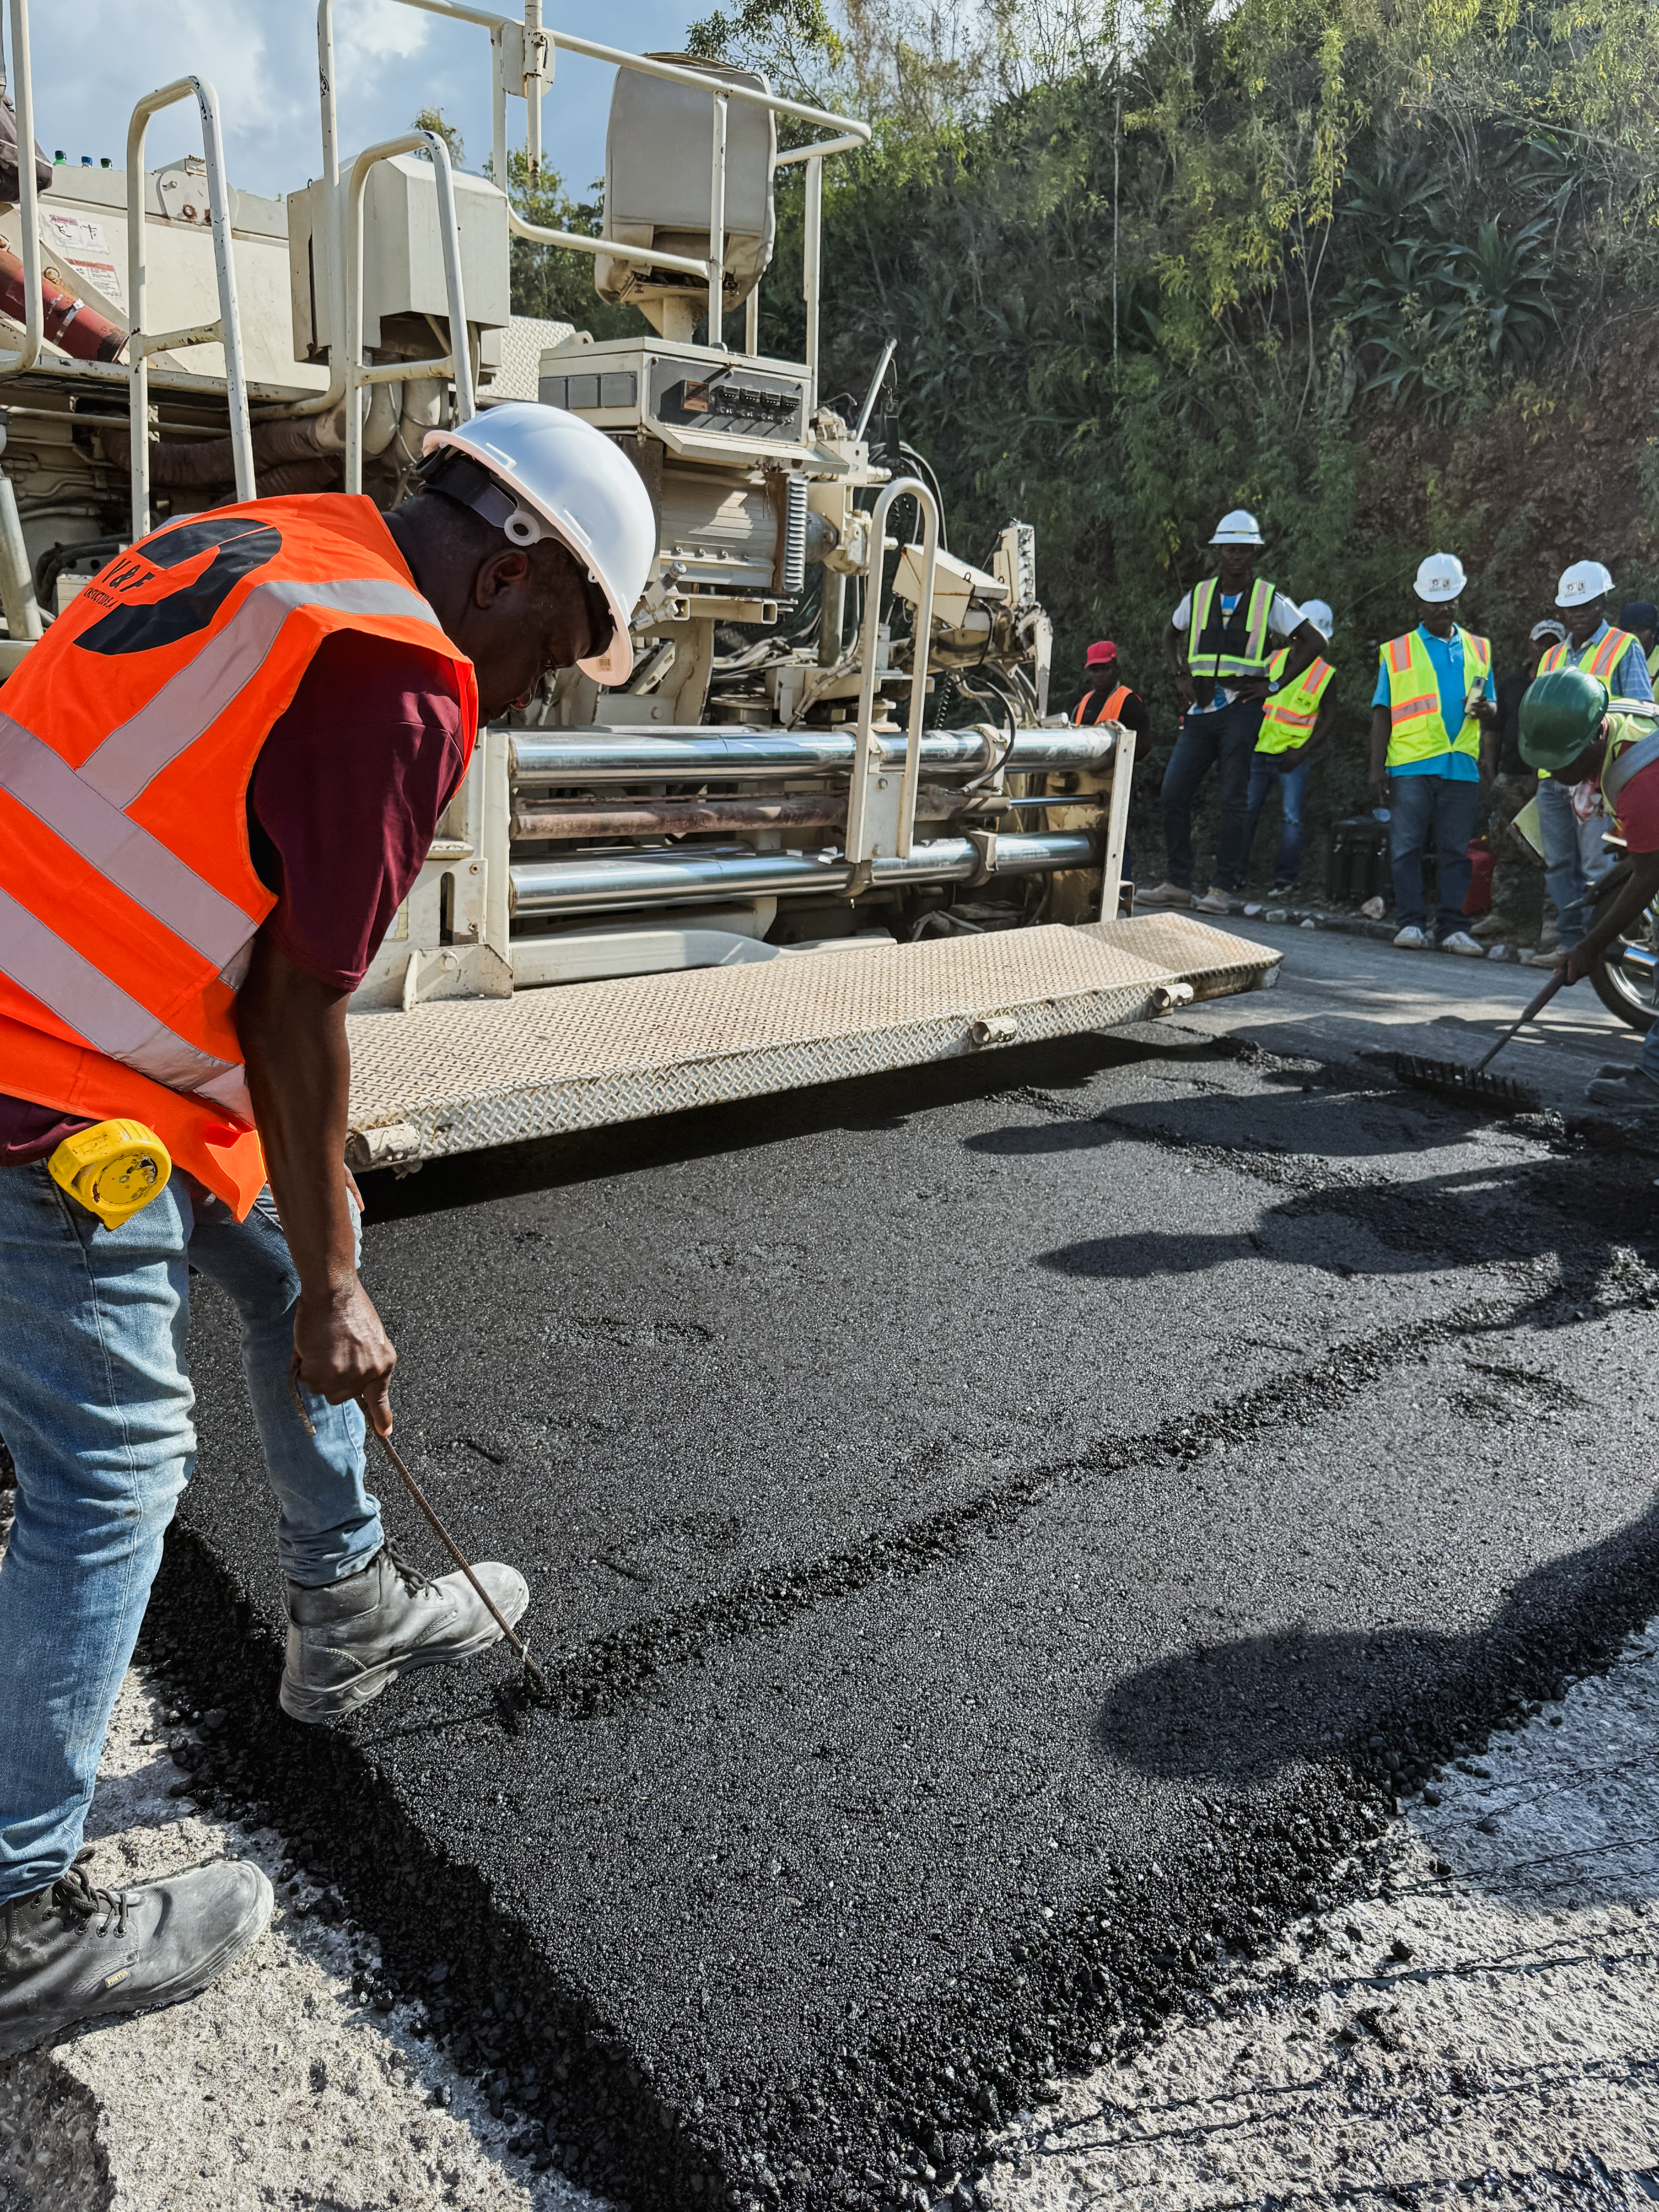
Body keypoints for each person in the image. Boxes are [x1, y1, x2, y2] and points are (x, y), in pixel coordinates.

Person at [0, 402, 658, 2055]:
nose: (527, 698)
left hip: (94, 1012)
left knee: (295, 1235)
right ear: (509, 573)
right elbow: (297, 1008)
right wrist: (347, 1294)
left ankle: (349, 1606)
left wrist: (324, 1252)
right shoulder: (397, 676)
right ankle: (13, 1914)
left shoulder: (279, 546)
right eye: (551, 657)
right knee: (114, 1473)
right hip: (42, 1068)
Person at [1141, 509, 1324, 913]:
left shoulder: (1268, 598)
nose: (1236, 556)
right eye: (1230, 549)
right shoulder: (1199, 595)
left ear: (1253, 554)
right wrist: (1178, 675)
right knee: (1173, 792)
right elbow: (1170, 634)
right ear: (1219, 552)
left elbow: (1314, 641)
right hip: (1201, 708)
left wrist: (1274, 685)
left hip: (1241, 708)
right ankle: (1178, 883)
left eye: (1244, 549)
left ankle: (1221, 888)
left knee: (1233, 798)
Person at [1516, 666, 1659, 1110]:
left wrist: (1589, 946)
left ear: (1596, 735)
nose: (1556, 771)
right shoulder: (1617, 722)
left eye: (1564, 759)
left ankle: (1655, 1080)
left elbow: (1650, 876)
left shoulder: (1641, 776)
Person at [1368, 552, 1496, 956]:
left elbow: (1491, 705)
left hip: (1461, 765)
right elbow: (1382, 712)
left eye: (1449, 600)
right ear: (1420, 603)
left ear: (1459, 599)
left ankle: (1452, 928)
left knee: (1456, 851)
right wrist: (1376, 769)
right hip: (1411, 764)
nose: (1443, 608)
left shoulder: (1479, 649)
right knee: (1406, 847)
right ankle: (1411, 923)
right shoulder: (1398, 651)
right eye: (1434, 601)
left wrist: (1487, 709)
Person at [1526, 565, 1651, 967]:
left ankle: (1598, 946)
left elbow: (1641, 711)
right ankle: (1569, 944)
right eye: (1571, 606)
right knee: (1558, 863)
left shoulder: (1623, 646)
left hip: (1600, 774)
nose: (1578, 612)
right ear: (1562, 610)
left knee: (1598, 863)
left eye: (1587, 604)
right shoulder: (1552, 656)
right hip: (1554, 775)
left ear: (1602, 602)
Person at [1243, 596, 1336, 898]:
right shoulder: (1272, 660)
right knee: (1245, 812)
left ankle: (1284, 881)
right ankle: (1233, 875)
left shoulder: (1324, 674)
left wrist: (1302, 752)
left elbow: (1330, 717)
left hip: (1292, 758)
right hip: (1258, 750)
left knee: (1292, 818)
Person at [1073, 638, 1148, 749]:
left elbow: (1144, 745)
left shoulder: (1129, 702)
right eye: (1095, 670)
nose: (1099, 675)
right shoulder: (1082, 703)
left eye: (1105, 669)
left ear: (1117, 669)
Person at [1621, 599, 1659, 688]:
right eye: (1629, 631)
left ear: (1653, 632)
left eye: (1640, 630)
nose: (1634, 636)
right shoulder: (1615, 660)